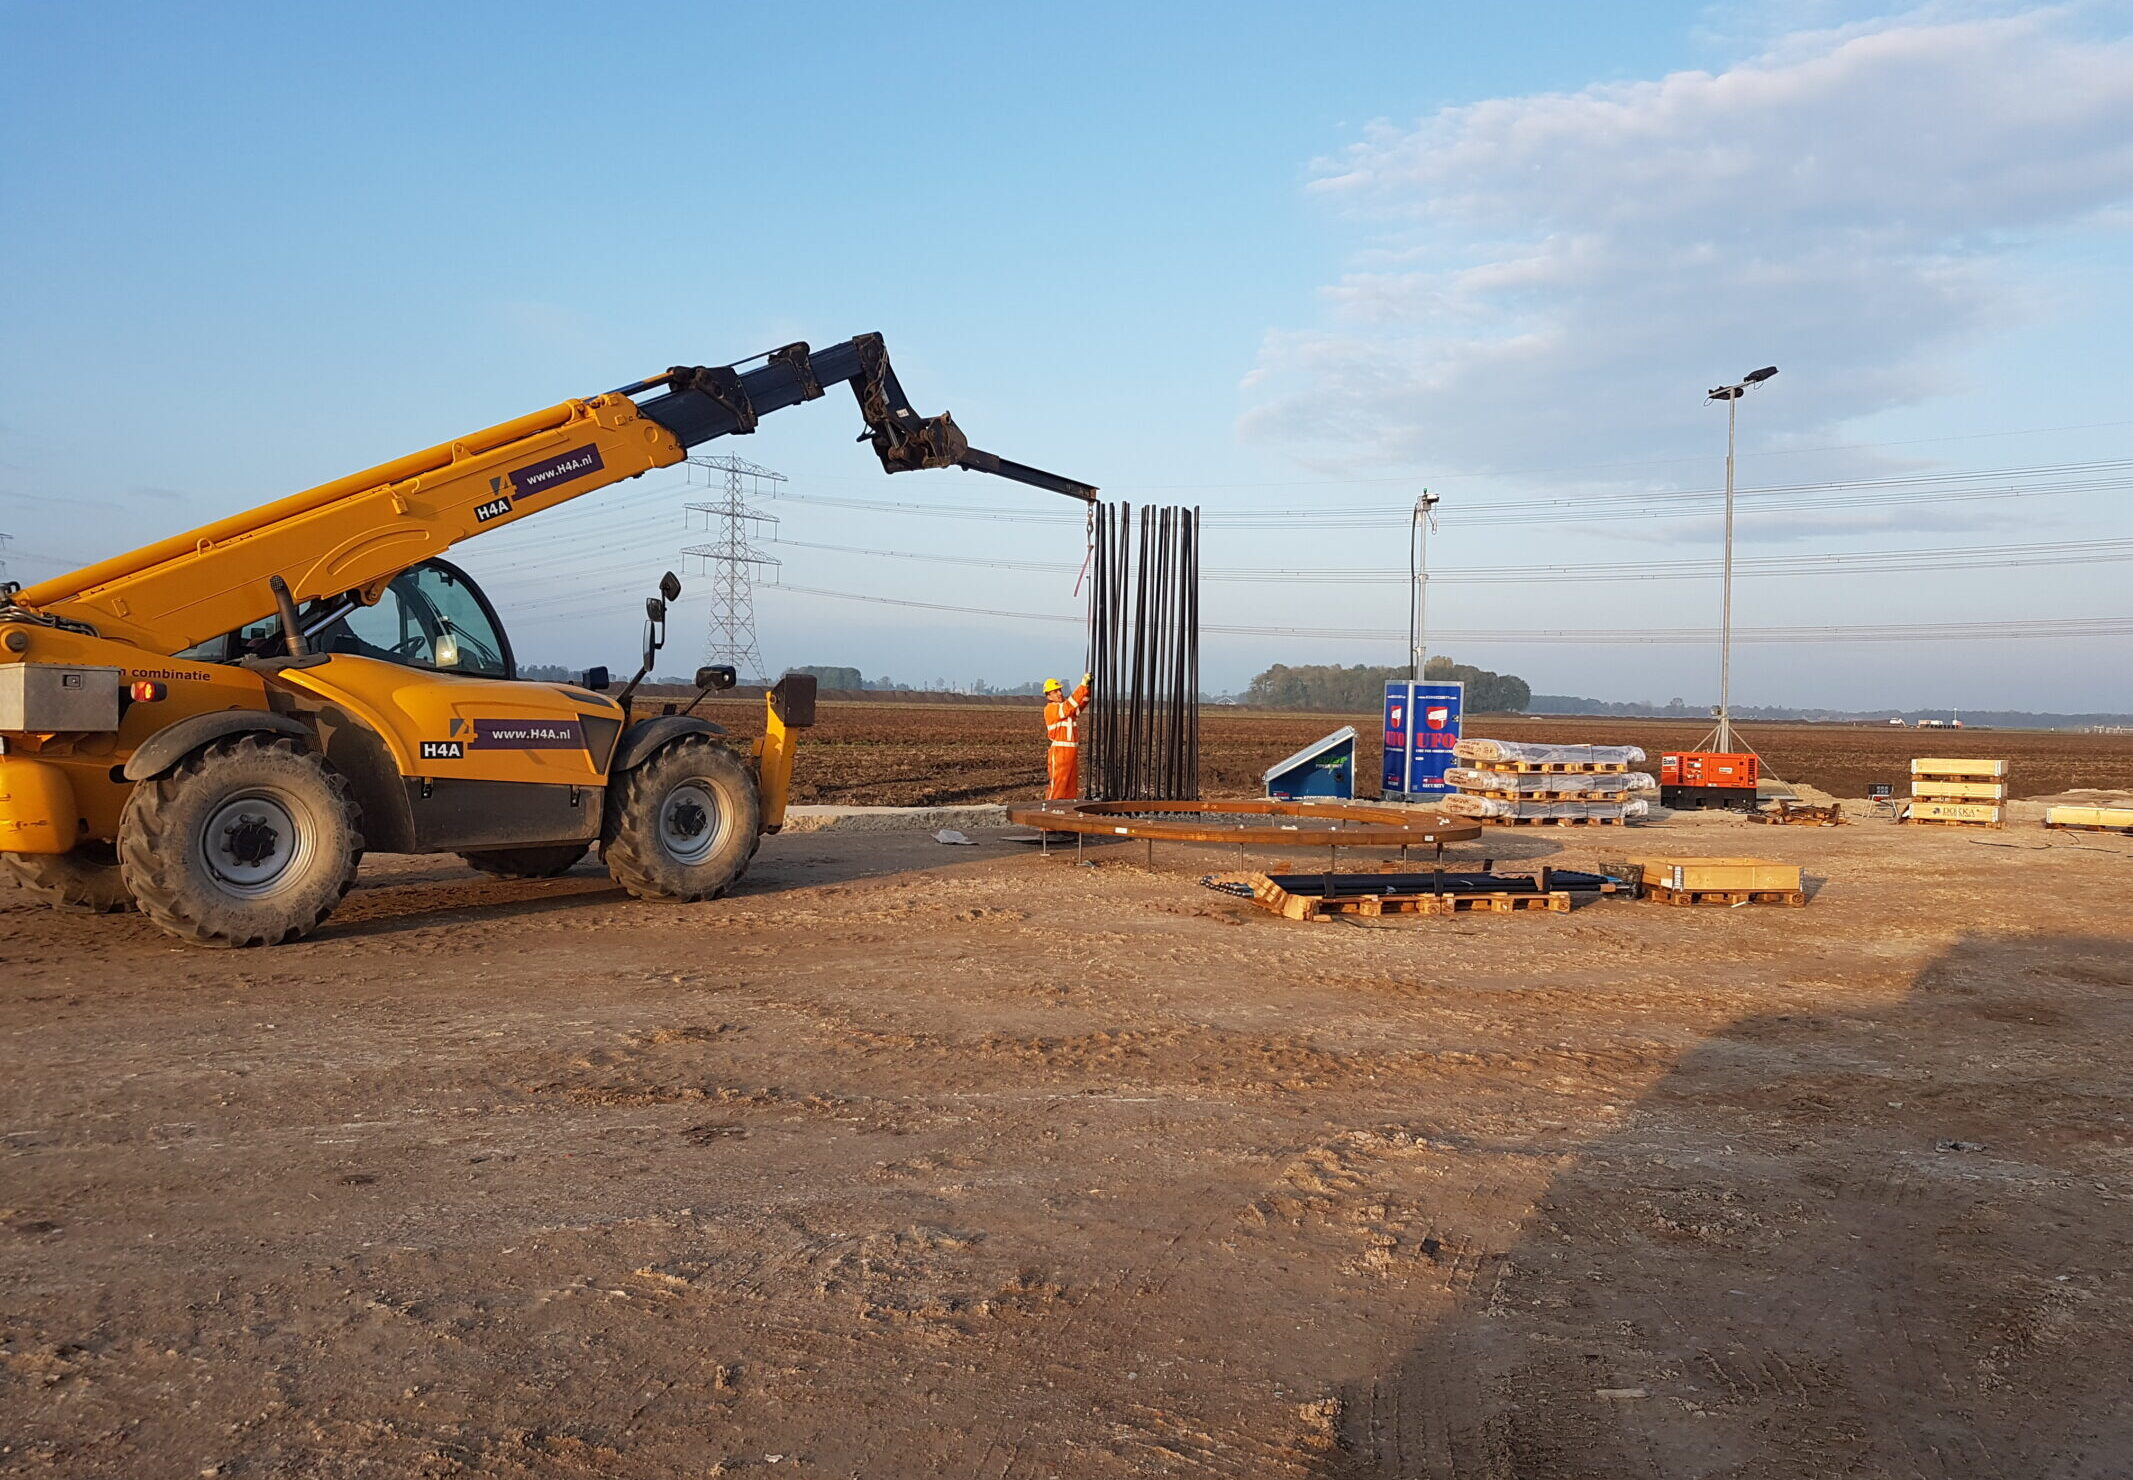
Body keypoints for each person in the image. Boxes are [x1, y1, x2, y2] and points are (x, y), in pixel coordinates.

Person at [1042, 673, 1092, 801]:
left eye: (1059, 690)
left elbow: (1078, 706)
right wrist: (1082, 685)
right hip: (1060, 752)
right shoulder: (1051, 709)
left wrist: (1087, 689)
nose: (1059, 693)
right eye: (1055, 691)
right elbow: (1069, 706)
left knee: (1071, 785)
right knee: (1059, 784)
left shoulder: (1066, 709)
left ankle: (1067, 809)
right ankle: (1051, 810)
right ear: (1048, 695)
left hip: (1071, 751)